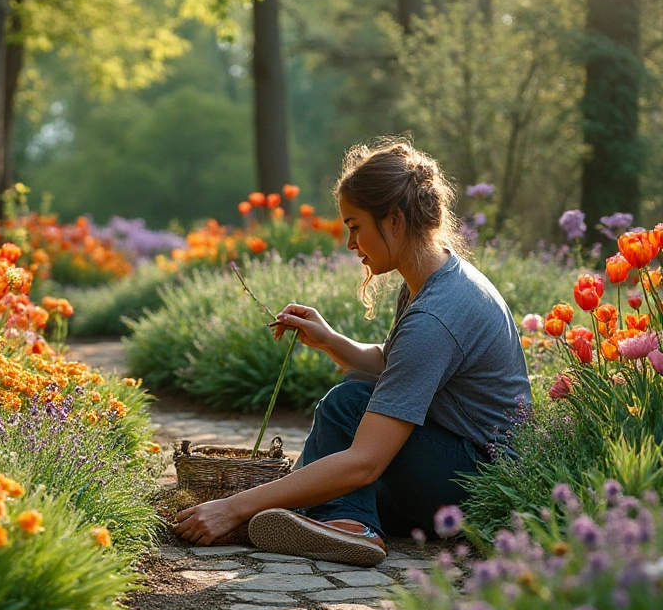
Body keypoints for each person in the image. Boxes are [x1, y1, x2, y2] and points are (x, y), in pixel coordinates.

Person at [172, 139, 530, 566]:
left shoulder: (436, 315)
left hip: (481, 484)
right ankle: (329, 514)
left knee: (348, 405)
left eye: (355, 225)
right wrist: (330, 340)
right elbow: (398, 368)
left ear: (394, 221)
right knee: (356, 391)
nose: (349, 242)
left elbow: (365, 462)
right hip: (465, 470)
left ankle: (349, 524)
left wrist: (233, 507)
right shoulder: (437, 276)